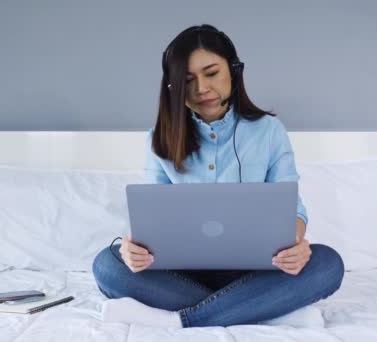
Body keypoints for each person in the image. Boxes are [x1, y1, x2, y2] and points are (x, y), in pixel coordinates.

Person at [92, 24, 344, 329]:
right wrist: (134, 250)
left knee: (327, 263)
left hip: (257, 271)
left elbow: (293, 209)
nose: (201, 89)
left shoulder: (269, 131)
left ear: (234, 72)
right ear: (174, 87)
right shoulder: (158, 139)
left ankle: (180, 319)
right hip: (183, 274)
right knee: (107, 264)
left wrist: (296, 243)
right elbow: (150, 217)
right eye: (187, 80)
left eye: (211, 73)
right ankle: (268, 310)